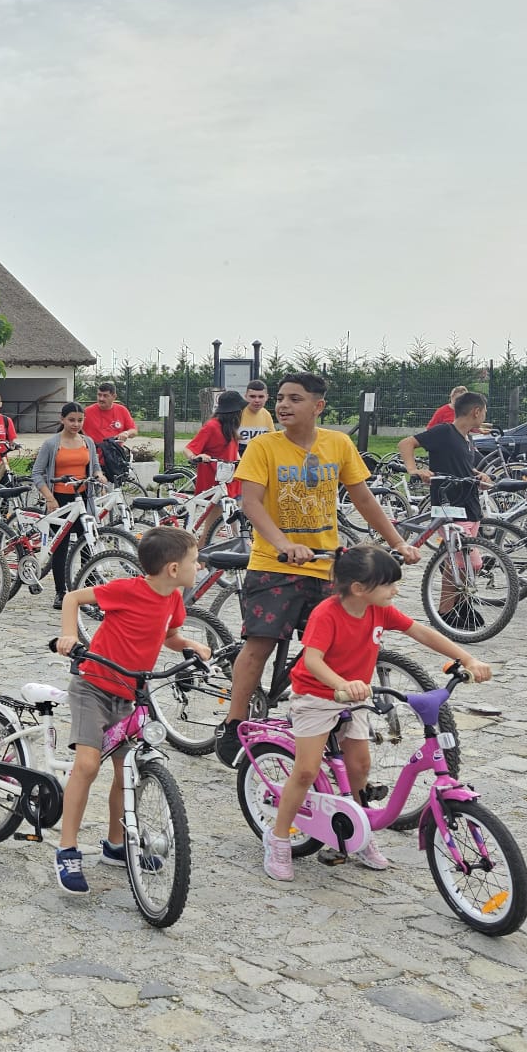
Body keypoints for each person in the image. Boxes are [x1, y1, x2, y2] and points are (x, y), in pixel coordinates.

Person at [214, 374, 420, 766]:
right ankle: (234, 719)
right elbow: (251, 503)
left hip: (328, 566)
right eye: (280, 398)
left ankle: (325, 722)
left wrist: (397, 543)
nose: (284, 405)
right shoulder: (263, 447)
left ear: (318, 406)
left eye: (295, 398)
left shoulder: (338, 444)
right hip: (275, 564)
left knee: (336, 646)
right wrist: (283, 544)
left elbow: (362, 497)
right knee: (260, 644)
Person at [262, 545, 491, 881]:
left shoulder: (380, 610)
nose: (395, 591)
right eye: (389, 585)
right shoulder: (327, 613)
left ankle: (361, 828)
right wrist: (342, 683)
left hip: (353, 697)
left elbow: (419, 631)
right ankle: (279, 837)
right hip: (318, 696)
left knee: (360, 766)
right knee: (306, 771)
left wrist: (466, 658)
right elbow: (312, 660)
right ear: (359, 589)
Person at [50, 527, 205, 895]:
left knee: (127, 772)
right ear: (172, 568)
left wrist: (190, 645)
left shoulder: (174, 599)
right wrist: (69, 635)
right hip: (94, 688)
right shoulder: (127, 589)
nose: (198, 566)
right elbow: (72, 597)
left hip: (132, 692)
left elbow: (168, 637)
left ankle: (116, 844)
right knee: (87, 765)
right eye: (194, 561)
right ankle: (67, 848)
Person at [30, 403, 104, 597]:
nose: (76, 424)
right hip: (59, 499)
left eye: (80, 420)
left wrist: (98, 474)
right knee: (60, 547)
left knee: (88, 543)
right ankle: (60, 592)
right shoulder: (51, 444)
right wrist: (49, 497)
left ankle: (88, 589)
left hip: (83, 499)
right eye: (71, 420)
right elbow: (37, 473)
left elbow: (95, 466)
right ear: (62, 419)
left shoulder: (88, 442)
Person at [397, 390, 490, 524]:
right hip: (449, 506)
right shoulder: (444, 432)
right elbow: (405, 444)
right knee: (460, 545)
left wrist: (478, 475)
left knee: (473, 545)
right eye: (484, 411)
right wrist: (414, 470)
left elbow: (461, 465)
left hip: (470, 507)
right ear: (476, 412)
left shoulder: (467, 437)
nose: (485, 415)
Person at [187, 390, 245, 498]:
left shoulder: (231, 428)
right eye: (240, 410)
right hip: (214, 484)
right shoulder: (211, 426)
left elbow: (234, 451)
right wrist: (196, 456)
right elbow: (189, 449)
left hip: (230, 480)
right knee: (215, 513)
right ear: (234, 412)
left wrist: (242, 463)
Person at [236, 379, 274, 450]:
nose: (257, 400)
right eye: (252, 396)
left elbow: (272, 441)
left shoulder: (266, 414)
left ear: (267, 397)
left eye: (261, 397)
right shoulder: (236, 414)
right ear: (246, 396)